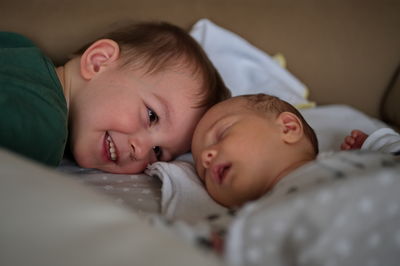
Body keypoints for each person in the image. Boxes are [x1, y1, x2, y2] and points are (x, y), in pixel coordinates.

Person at [0, 21, 230, 174]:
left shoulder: (20, 48)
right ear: (98, 62)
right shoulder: (43, 130)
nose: (140, 151)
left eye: (158, 152)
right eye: (152, 116)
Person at [191, 93, 319, 207]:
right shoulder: (237, 226)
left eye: (221, 135)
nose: (204, 157)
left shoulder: (336, 163)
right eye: (203, 172)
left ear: (288, 128)